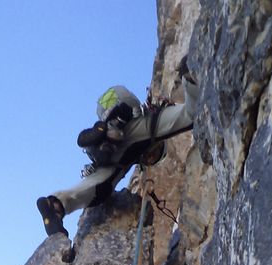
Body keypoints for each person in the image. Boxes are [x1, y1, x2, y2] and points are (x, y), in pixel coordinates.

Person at [37, 62, 199, 237]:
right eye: (154, 155)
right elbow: (188, 115)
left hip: (112, 122)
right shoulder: (149, 129)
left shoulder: (131, 145)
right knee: (100, 189)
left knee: (97, 181)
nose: (149, 158)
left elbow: (91, 184)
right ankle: (107, 134)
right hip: (129, 123)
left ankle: (56, 204)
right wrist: (189, 80)